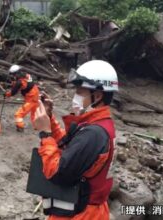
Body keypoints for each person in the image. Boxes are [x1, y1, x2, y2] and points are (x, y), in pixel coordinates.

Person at [33, 60, 118, 220]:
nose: (75, 97)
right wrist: (50, 120)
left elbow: (57, 173)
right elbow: (69, 146)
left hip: (81, 214)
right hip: (83, 208)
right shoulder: (97, 125)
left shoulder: (93, 134)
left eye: (80, 92)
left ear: (98, 96)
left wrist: (45, 134)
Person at [4, 65, 40, 132]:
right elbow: (23, 83)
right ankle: (37, 126)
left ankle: (20, 127)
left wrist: (6, 94)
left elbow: (13, 92)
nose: (12, 76)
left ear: (16, 73)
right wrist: (14, 83)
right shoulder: (27, 75)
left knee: (18, 114)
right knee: (34, 114)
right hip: (36, 95)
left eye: (13, 74)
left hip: (31, 99)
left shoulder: (19, 82)